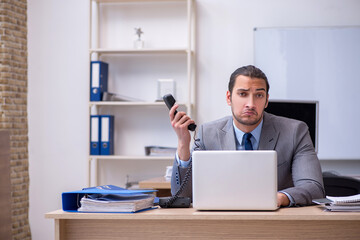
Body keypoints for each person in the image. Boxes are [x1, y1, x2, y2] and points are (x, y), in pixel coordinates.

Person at [168, 65, 325, 207]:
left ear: (266, 100)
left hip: (276, 223)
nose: (250, 104)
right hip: (223, 222)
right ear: (229, 98)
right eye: (243, 94)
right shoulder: (207, 133)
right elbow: (182, 196)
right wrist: (183, 143)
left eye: (258, 95)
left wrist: (278, 198)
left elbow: (313, 187)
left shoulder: (295, 131)